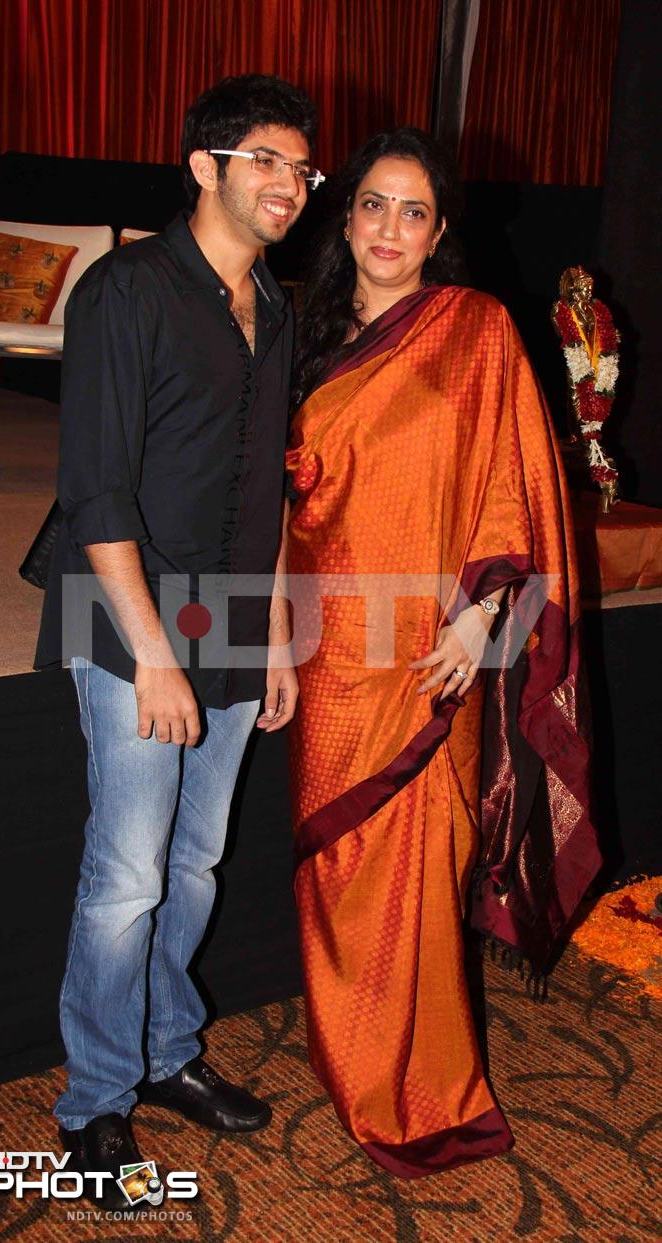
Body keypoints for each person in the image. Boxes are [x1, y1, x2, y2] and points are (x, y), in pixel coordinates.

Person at [286, 128, 601, 1178]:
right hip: (328, 645)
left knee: (420, 870)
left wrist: (481, 621)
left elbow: (515, 480)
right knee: (336, 869)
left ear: (440, 229)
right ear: (346, 215)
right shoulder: (304, 328)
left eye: (412, 211)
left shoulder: (474, 331)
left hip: (431, 645)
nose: (388, 228)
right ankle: (351, 1059)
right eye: (372, 204)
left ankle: (425, 1089)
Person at [34, 73, 321, 1205]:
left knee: (193, 863)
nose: (288, 184)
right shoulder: (126, 290)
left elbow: (273, 494)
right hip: (126, 612)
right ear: (203, 166)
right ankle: (94, 1098)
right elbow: (95, 492)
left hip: (236, 617)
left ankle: (163, 1052)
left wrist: (280, 638)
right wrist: (152, 651)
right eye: (265, 160)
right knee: (126, 875)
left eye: (302, 168)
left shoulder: (279, 308)